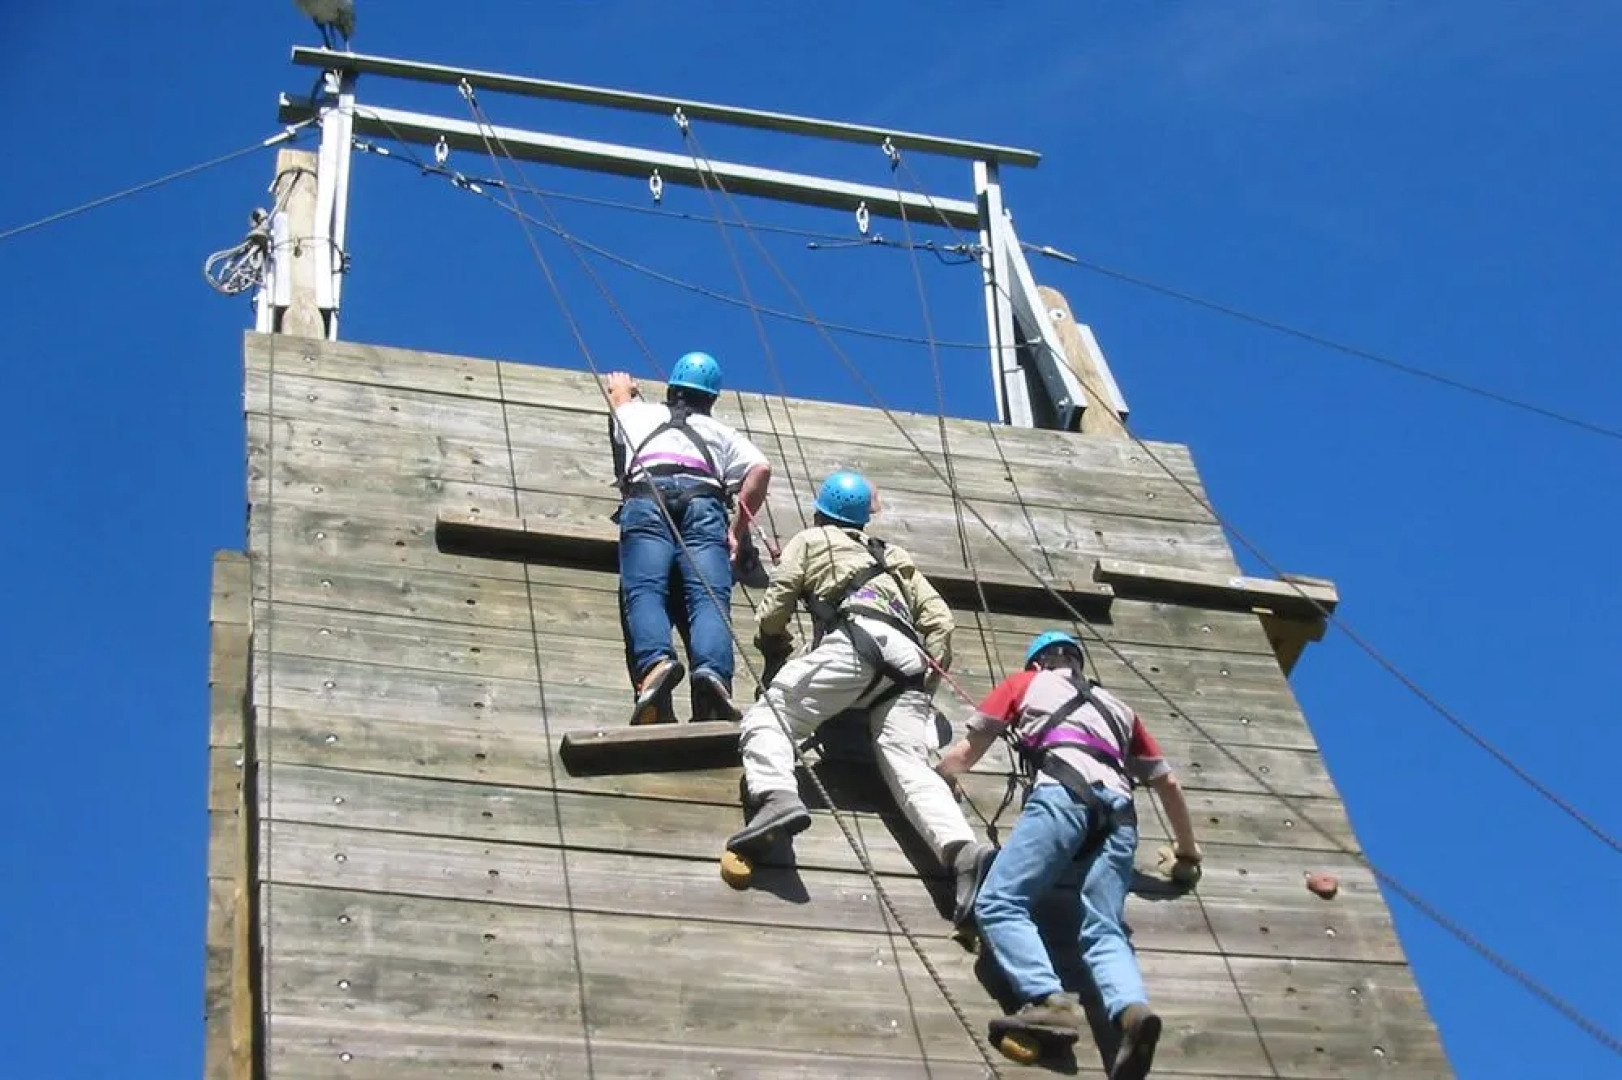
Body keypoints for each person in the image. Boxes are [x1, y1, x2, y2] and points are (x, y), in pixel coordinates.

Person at [721, 471, 996, 922]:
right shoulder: (894, 556)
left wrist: (775, 648)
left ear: (819, 511)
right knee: (909, 765)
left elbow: (777, 604)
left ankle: (775, 796)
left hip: (853, 642)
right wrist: (922, 689)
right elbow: (942, 622)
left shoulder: (811, 539)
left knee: (771, 715)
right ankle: (962, 851)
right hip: (908, 661)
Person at [935, 631, 1203, 1080]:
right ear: (1077, 662)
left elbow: (966, 754)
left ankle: (1048, 1002)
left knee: (1000, 902)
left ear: (1038, 663)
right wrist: (1187, 854)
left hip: (1062, 796)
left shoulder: (1023, 683)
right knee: (1105, 929)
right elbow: (1168, 785)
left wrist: (939, 774)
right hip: (1120, 816)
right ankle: (1132, 1013)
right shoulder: (1119, 708)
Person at [606, 352, 771, 725]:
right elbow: (761, 470)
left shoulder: (639, 414)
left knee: (646, 590)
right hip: (703, 504)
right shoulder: (722, 433)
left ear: (671, 388)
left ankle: (656, 665)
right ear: (711, 399)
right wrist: (736, 530)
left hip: (648, 497)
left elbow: (619, 397)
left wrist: (624, 386)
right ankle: (713, 676)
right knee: (708, 599)